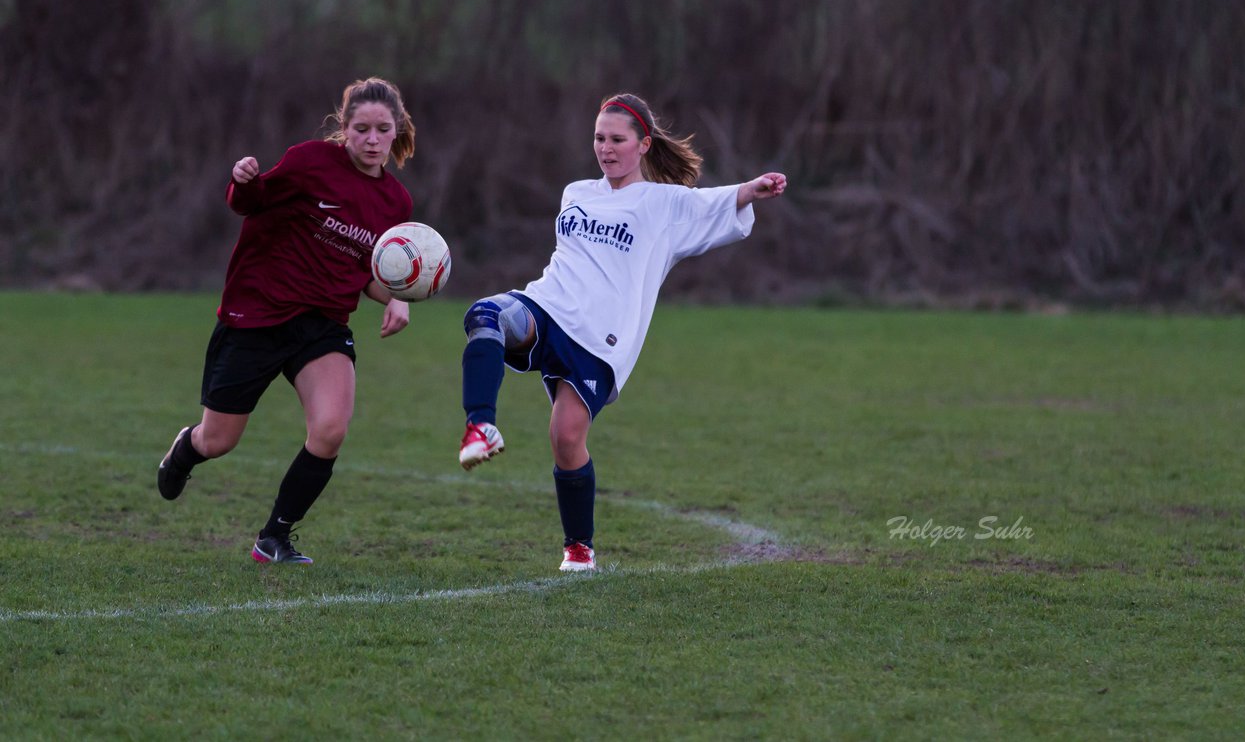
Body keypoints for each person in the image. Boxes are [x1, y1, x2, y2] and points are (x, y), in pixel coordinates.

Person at [457, 92, 787, 572]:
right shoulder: (576, 192)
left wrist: (752, 188)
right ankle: (480, 424)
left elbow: (713, 203)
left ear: (643, 144)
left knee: (566, 438)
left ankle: (579, 548)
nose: (605, 148)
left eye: (617, 139)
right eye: (598, 138)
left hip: (600, 339)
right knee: (485, 315)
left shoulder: (663, 204)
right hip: (548, 307)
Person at [156, 76, 417, 565]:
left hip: (322, 326)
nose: (373, 140)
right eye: (362, 128)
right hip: (257, 313)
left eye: (383, 129)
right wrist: (243, 180)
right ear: (344, 128)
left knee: (331, 429)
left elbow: (370, 273)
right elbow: (246, 204)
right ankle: (186, 449)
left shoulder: (396, 203)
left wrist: (398, 297)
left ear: (397, 128)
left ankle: (273, 537)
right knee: (219, 440)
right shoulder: (309, 161)